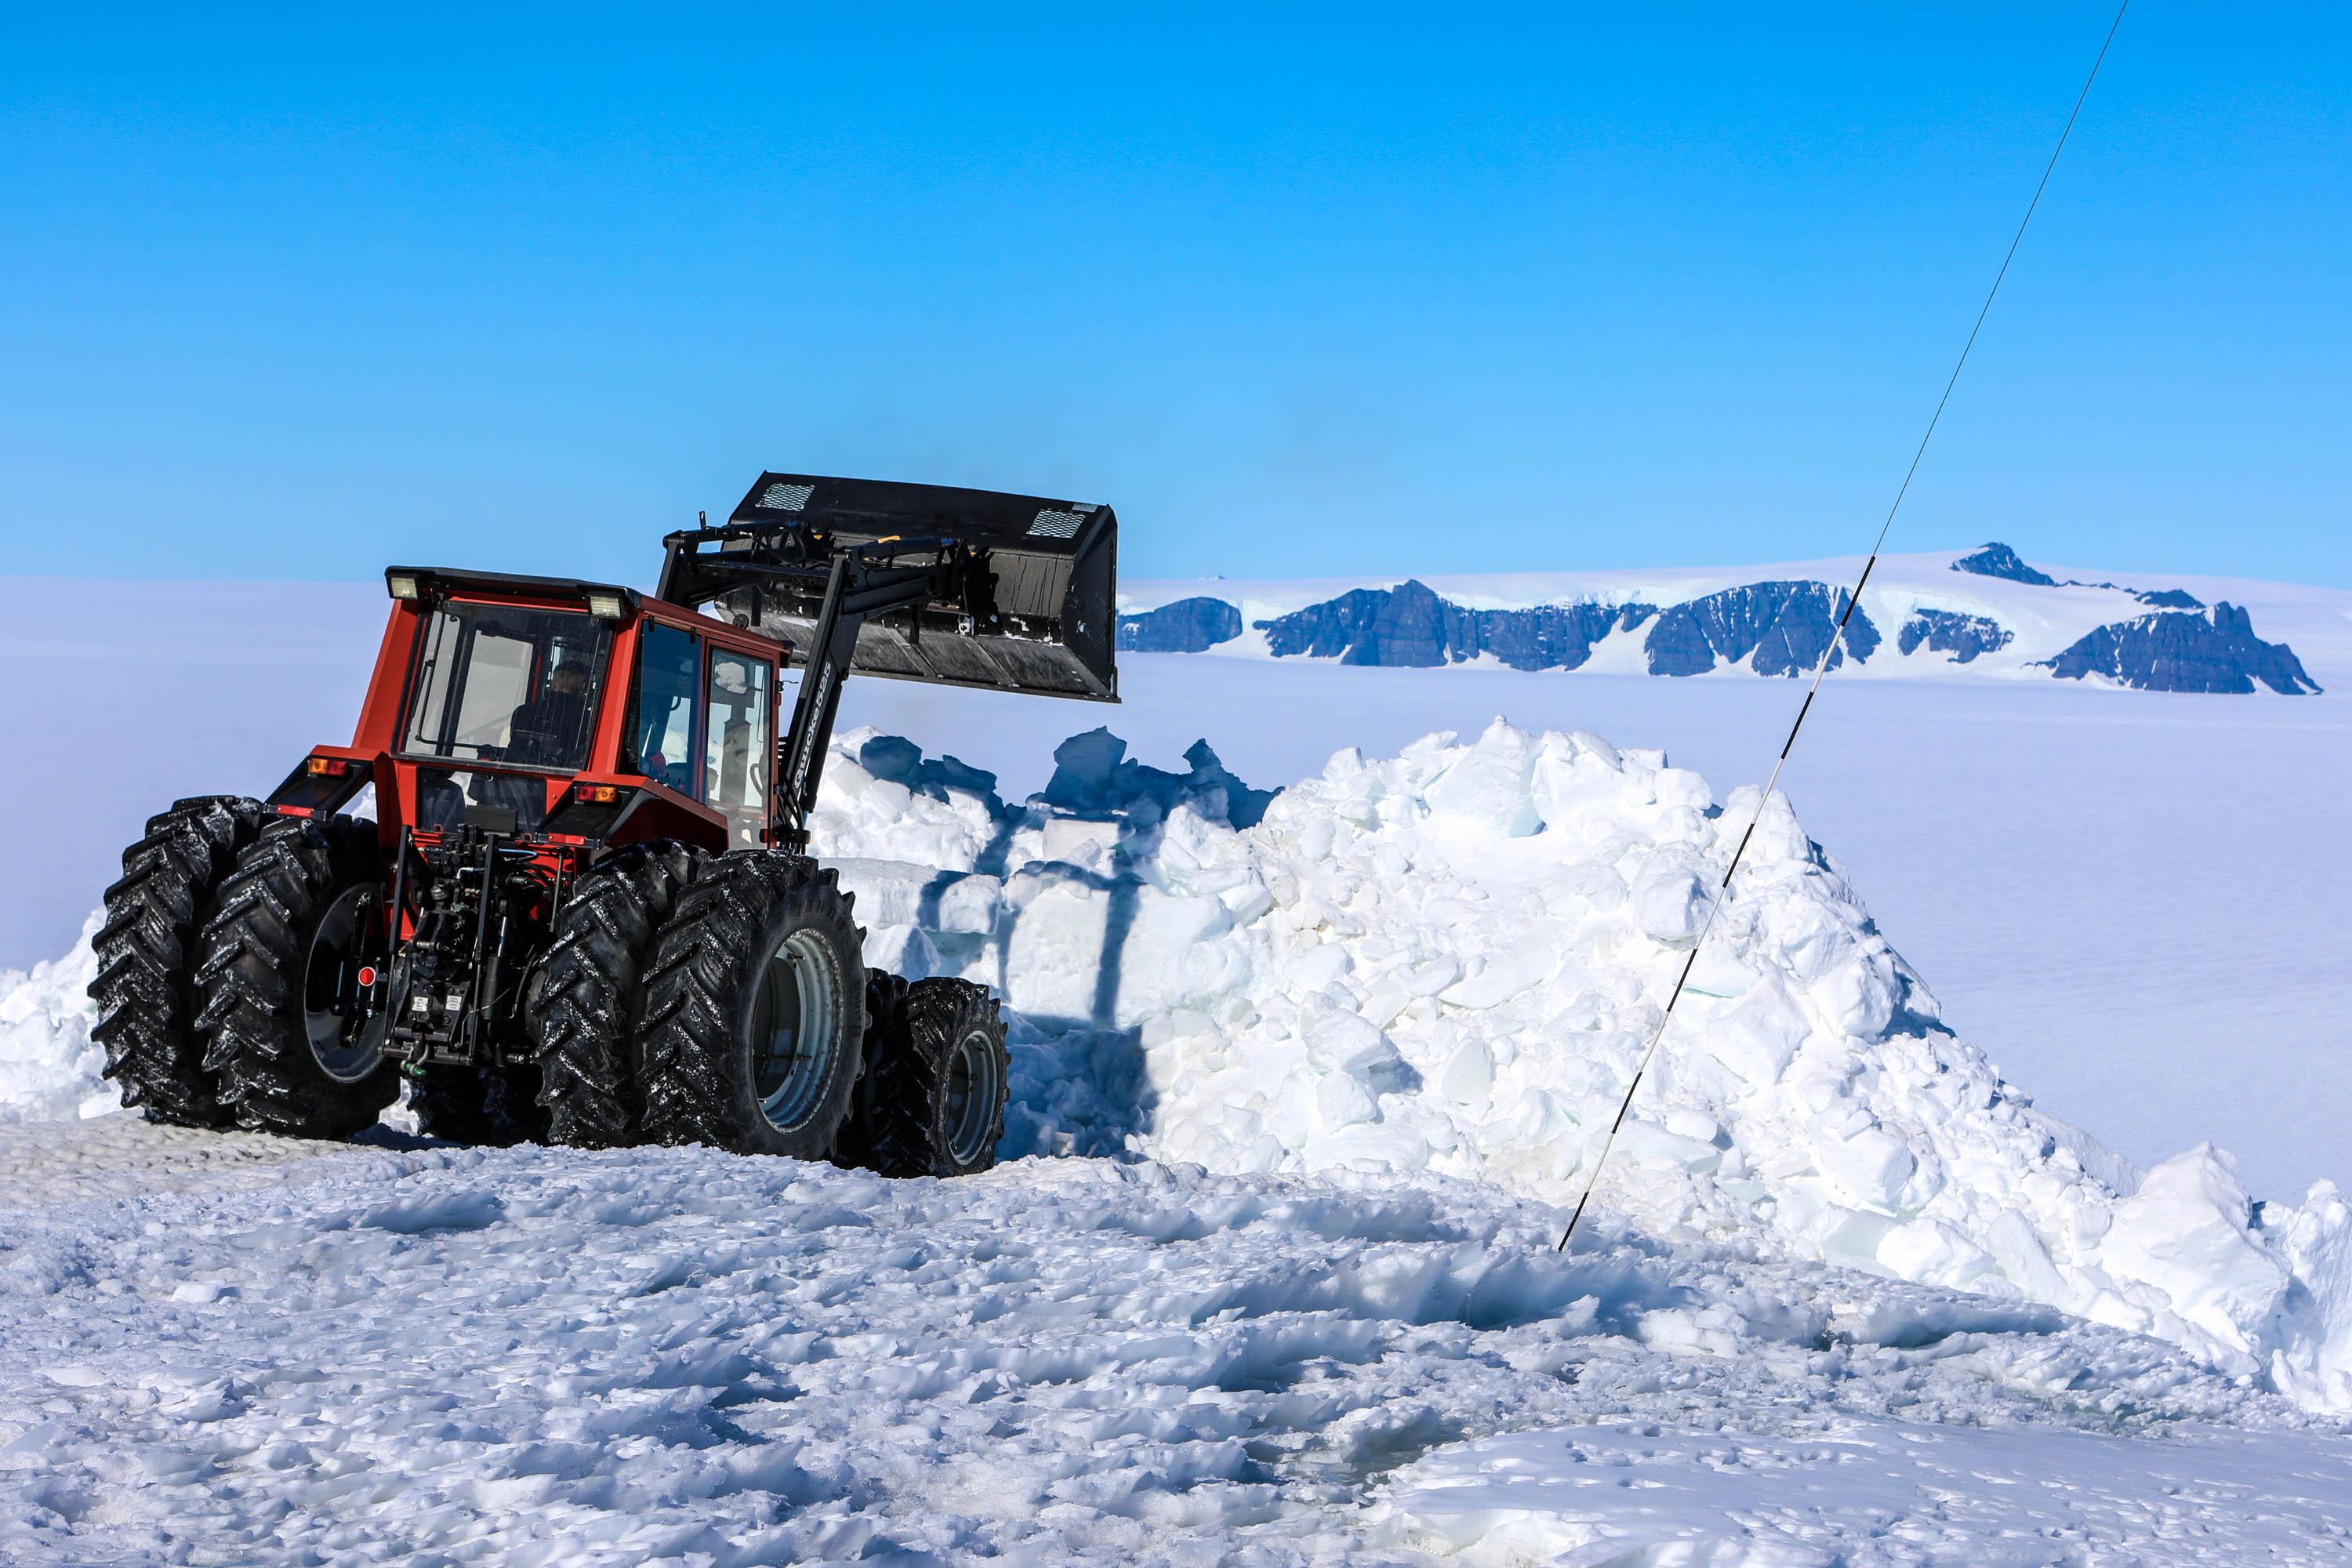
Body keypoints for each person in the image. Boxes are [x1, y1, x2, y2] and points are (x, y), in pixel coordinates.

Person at [503, 661, 591, 768]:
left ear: (552, 683)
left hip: (514, 778)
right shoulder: (588, 720)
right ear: (583, 687)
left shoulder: (523, 712)